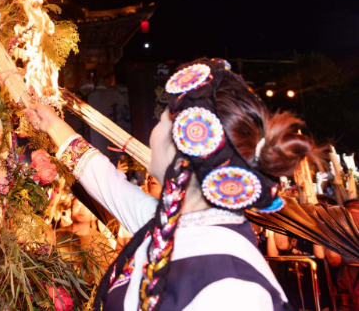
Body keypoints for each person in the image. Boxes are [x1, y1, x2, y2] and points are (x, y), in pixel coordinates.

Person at [27, 58, 316, 311]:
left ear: (183, 145)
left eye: (164, 117)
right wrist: (50, 122)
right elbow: (103, 179)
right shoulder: (171, 223)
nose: (156, 126)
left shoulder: (236, 288)